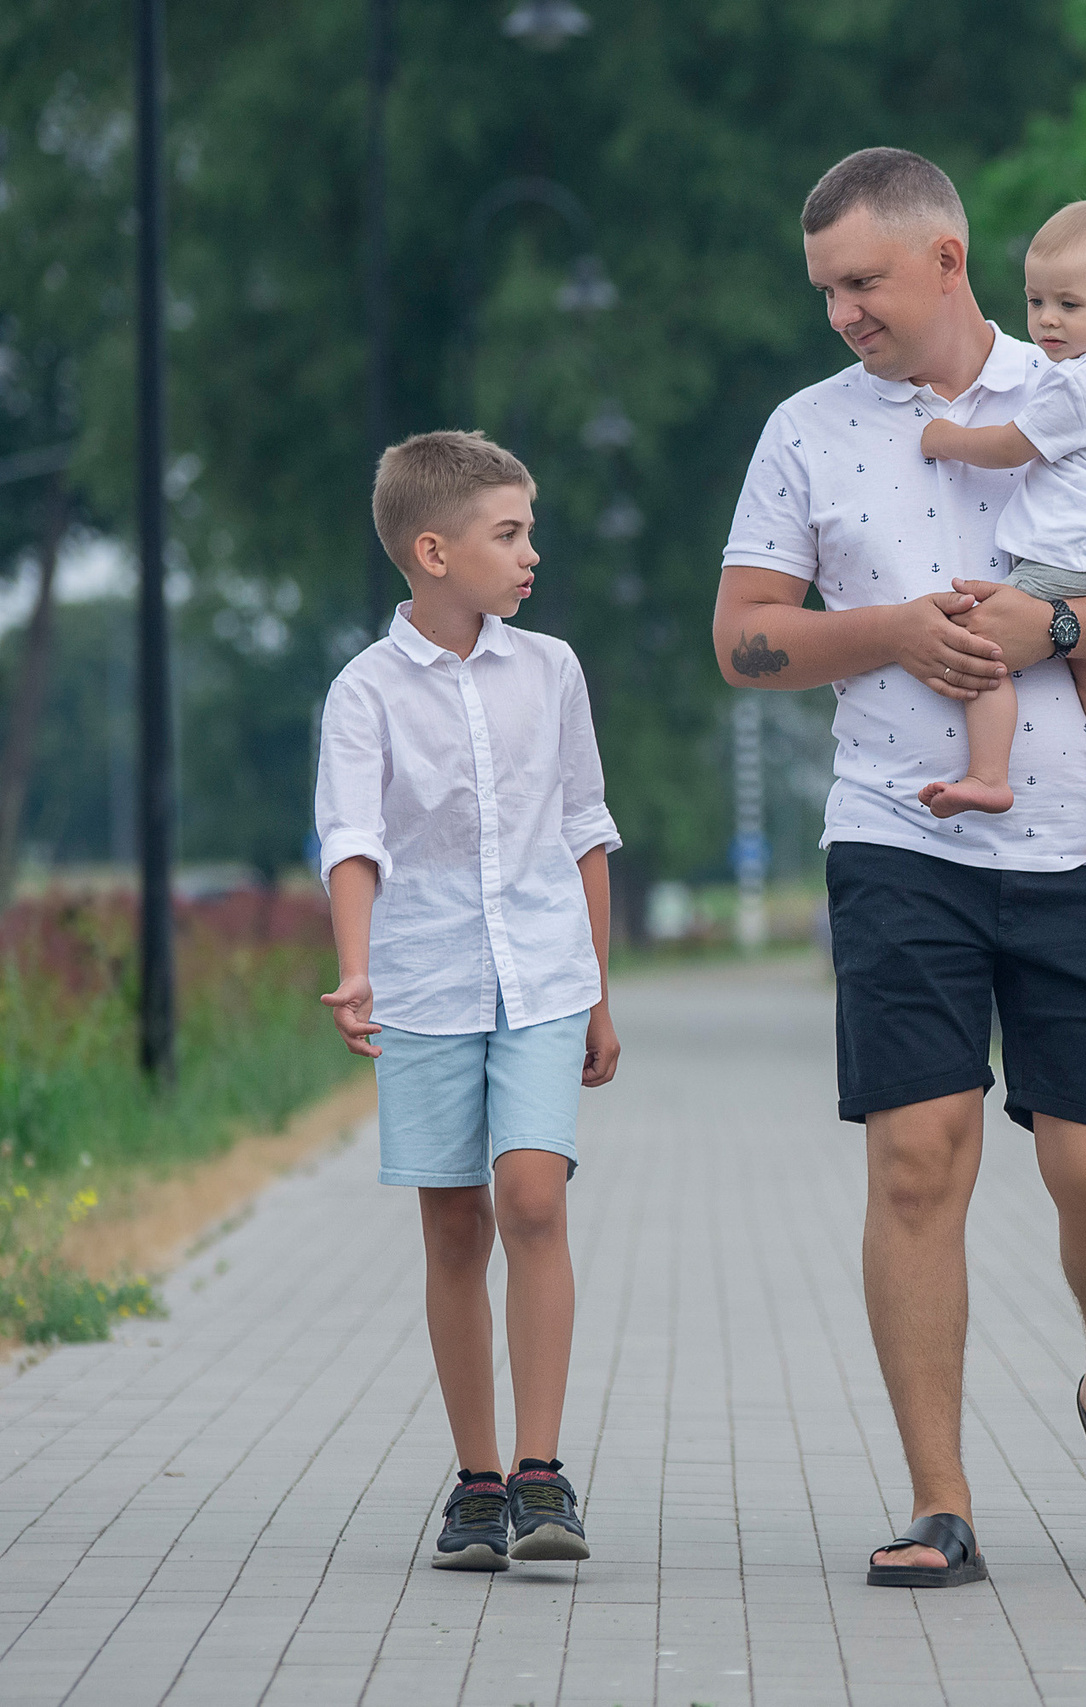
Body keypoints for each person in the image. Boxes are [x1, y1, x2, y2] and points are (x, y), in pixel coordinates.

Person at [713, 148, 1086, 1588]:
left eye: (861, 282)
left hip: (1077, 838)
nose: (842, 315)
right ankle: (942, 1498)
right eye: (824, 289)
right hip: (896, 834)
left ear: (948, 262)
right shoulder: (805, 431)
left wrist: (1046, 635)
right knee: (918, 1157)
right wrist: (887, 634)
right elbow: (742, 635)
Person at [315, 429, 621, 1572]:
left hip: (542, 972)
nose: (531, 552)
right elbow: (353, 837)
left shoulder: (552, 671)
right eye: (510, 533)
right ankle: (478, 1483)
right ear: (432, 551)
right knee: (454, 1224)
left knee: (532, 1198)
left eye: (529, 530)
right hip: (428, 982)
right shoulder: (365, 693)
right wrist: (357, 968)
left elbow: (587, 829)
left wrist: (597, 993)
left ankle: (544, 1476)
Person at [917, 199, 1086, 878]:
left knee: (984, 643)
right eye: (1036, 302)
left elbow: (1012, 446)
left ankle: (987, 775)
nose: (1048, 322)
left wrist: (948, 438)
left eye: (1069, 304)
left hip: (1080, 554)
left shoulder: (1080, 386)